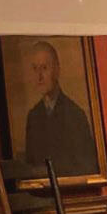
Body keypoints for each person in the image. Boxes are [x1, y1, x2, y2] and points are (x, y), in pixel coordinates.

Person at [22, 41, 98, 177]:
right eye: (35, 69)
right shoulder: (33, 116)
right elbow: (30, 165)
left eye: (44, 68)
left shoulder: (75, 115)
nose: (39, 76)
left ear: (57, 70)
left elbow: (87, 167)